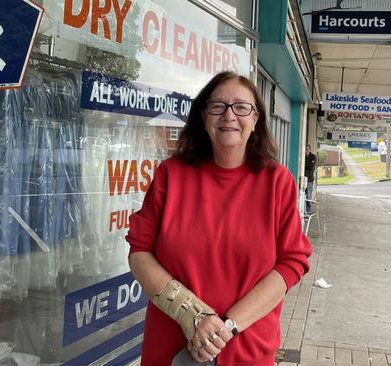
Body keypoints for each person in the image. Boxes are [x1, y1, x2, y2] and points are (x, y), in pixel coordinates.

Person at [125, 71, 312, 365]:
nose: (229, 115)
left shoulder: (277, 182)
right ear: (204, 116)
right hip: (171, 351)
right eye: (218, 106)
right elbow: (139, 252)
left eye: (241, 107)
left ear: (256, 120)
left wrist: (224, 328)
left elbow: (292, 262)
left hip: (246, 351)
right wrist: (192, 315)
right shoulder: (171, 175)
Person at [304, 144, 317, 212]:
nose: (306, 151)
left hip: (309, 179)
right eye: (305, 149)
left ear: (310, 150)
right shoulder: (302, 156)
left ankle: (308, 211)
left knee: (308, 196)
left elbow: (311, 167)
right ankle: (303, 211)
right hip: (302, 179)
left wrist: (304, 165)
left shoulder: (313, 157)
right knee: (302, 195)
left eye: (307, 149)